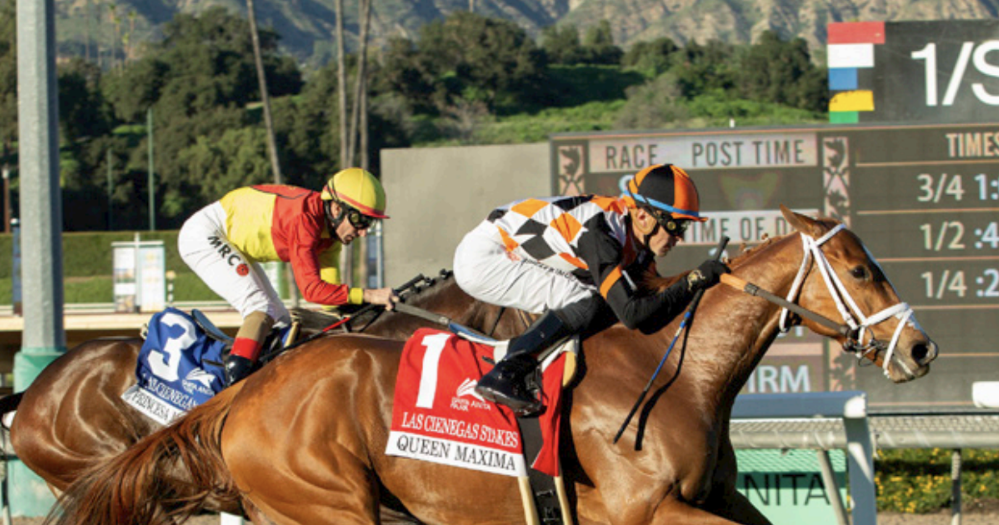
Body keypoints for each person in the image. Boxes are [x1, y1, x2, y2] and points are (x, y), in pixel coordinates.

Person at [452, 163, 728, 415]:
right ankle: (507, 372)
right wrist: (693, 281)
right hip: (486, 257)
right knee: (587, 300)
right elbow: (633, 315)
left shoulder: (635, 240)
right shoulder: (601, 235)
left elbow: (651, 307)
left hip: (511, 246)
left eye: (684, 227)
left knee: (599, 300)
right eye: (675, 225)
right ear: (644, 216)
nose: (679, 237)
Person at [178, 168, 397, 384]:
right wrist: (369, 295)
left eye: (369, 223)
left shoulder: (330, 239)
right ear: (336, 208)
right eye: (359, 220)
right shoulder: (305, 220)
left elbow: (330, 301)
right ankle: (233, 387)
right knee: (260, 307)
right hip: (206, 234)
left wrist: (373, 310)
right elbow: (311, 290)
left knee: (281, 321)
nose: (363, 232)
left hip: (231, 241)